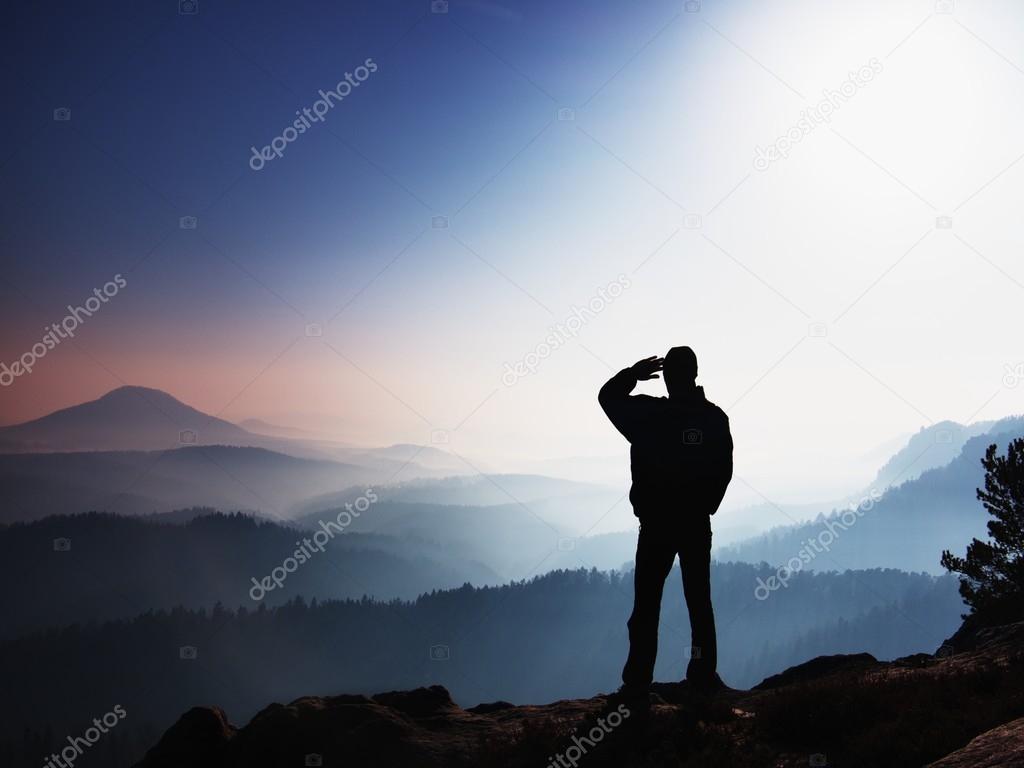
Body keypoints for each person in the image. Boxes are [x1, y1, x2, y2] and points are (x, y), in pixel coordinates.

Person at [599, 347, 733, 705]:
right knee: (698, 603)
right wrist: (706, 505)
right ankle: (703, 676)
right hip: (694, 522)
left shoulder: (649, 416)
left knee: (646, 606)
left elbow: (607, 397)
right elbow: (724, 469)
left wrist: (633, 373)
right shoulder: (714, 419)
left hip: (656, 523)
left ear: (669, 376)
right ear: (696, 372)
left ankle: (638, 682)